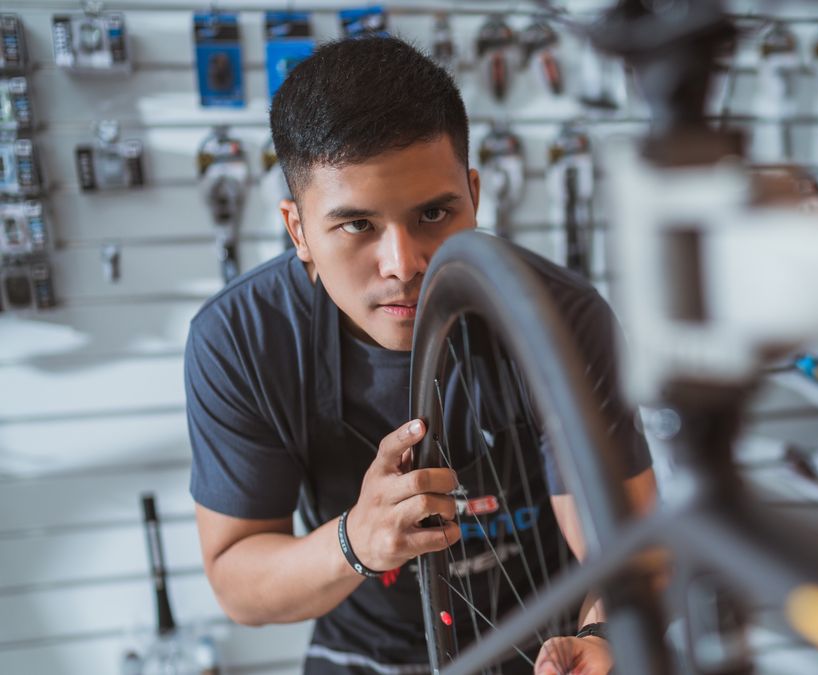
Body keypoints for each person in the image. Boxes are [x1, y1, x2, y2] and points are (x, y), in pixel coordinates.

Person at [185, 36, 657, 675]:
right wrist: (357, 541)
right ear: (297, 229)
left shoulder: (561, 317)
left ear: (475, 194)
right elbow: (237, 583)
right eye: (357, 225)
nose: (403, 266)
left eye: (435, 213)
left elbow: (624, 541)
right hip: (366, 654)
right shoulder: (241, 339)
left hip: (549, 647)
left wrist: (604, 634)